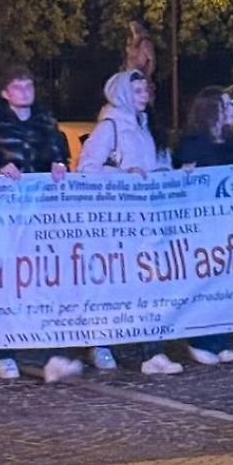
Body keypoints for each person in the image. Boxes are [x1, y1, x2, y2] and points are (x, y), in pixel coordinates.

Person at [0, 65, 71, 382]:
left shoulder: (47, 123)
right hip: (5, 218)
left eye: (29, 86)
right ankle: (4, 352)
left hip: (40, 218)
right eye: (18, 87)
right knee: (7, 285)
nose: (25, 92)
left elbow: (60, 155)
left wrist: (59, 165)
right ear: (5, 93)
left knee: (44, 285)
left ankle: (49, 354)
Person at [78, 69, 175, 374]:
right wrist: (123, 177)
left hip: (147, 220)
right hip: (116, 223)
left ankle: (153, 352)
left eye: (145, 89)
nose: (144, 95)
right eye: (136, 91)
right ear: (121, 94)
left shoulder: (149, 127)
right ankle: (100, 343)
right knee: (111, 284)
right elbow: (87, 169)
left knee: (150, 283)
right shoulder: (110, 128)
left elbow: (161, 165)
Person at [174, 86, 233, 365]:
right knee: (205, 283)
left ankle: (221, 340)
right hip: (201, 228)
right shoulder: (193, 144)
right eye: (227, 105)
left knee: (226, 284)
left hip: (232, 227)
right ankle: (200, 340)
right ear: (213, 111)